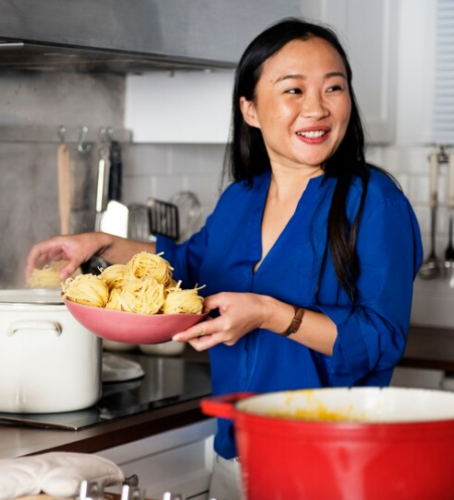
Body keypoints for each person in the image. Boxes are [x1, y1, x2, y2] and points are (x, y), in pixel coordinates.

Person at [25, 18, 423, 500]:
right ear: (251, 109)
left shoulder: (373, 201)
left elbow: (382, 339)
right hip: (236, 456)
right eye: (293, 90)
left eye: (333, 88)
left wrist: (270, 314)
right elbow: (190, 264)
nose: (316, 108)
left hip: (330, 463)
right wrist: (102, 245)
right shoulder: (241, 198)